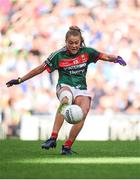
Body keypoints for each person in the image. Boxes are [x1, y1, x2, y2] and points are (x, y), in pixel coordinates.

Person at [6, 26, 127, 155]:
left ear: (81, 42)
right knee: (66, 99)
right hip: (65, 85)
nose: (74, 45)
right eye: (71, 43)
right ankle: (53, 137)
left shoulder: (87, 52)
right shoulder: (58, 55)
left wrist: (116, 58)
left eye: (76, 43)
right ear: (66, 42)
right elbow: (40, 69)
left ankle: (67, 146)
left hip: (81, 88)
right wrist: (20, 80)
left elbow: (105, 56)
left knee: (84, 111)